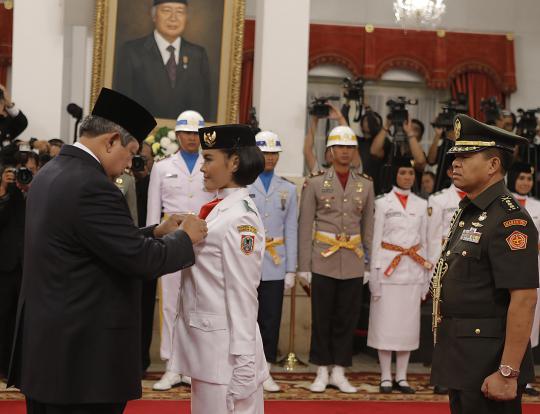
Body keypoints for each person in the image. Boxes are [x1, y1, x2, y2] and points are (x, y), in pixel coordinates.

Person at [7, 88, 208, 414]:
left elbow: (91, 241)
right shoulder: (92, 185)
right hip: (83, 361)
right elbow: (139, 260)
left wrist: (155, 230)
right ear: (111, 141)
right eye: (130, 153)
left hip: (49, 351)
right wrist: (186, 238)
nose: (130, 164)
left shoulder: (52, 173)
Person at [431, 114, 539, 414]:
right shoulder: (471, 211)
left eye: (466, 156)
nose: (455, 163)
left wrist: (508, 372)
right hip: (462, 359)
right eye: (454, 156)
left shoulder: (509, 219)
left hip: (489, 364)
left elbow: (525, 298)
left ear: (493, 165)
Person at [169, 124, 268, 414]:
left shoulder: (240, 220)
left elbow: (244, 294)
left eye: (209, 158)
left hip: (226, 358)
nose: (202, 167)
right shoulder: (219, 209)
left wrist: (245, 363)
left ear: (234, 162)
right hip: (209, 353)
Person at [298, 125, 375, 393]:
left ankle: (340, 371)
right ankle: (321, 370)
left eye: (350, 147)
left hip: (353, 261)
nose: (345, 152)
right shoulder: (316, 182)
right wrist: (303, 266)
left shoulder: (365, 184)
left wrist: (367, 263)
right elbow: (304, 224)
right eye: (340, 147)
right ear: (329, 152)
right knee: (322, 317)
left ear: (355, 152)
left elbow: (368, 226)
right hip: (323, 259)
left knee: (347, 317)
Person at [147, 109, 213, 390]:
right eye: (186, 133)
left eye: (196, 134)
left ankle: (192, 366)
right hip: (171, 241)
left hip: (202, 241)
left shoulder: (209, 165)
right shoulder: (162, 167)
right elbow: (153, 212)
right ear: (177, 134)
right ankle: (172, 364)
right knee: (171, 302)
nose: (191, 138)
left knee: (199, 302)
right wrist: (152, 242)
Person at [368, 157, 432, 394]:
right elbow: (375, 241)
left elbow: (425, 241)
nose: (407, 177)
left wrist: (427, 275)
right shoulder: (383, 203)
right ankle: (385, 376)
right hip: (388, 269)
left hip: (412, 271)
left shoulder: (421, 204)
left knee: (407, 326)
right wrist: (373, 275)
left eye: (410, 173)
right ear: (395, 174)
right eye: (403, 172)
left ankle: (402, 377)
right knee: (385, 325)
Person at [247, 130, 298, 392]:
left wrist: (291, 269)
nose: (270, 158)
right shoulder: (244, 185)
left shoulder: (287, 188)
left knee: (270, 318)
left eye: (274, 153)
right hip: (248, 260)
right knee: (247, 318)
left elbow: (291, 229)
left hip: (276, 263)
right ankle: (245, 369)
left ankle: (265, 370)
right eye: (265, 152)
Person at [114, 0, 211, 120]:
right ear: (154, 16)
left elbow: (205, 107)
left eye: (180, 12)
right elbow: (123, 104)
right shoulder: (132, 51)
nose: (173, 18)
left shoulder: (198, 55)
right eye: (166, 10)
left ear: (186, 17)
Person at [0, 147, 39, 379]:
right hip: (6, 264)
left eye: (32, 170)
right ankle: (3, 365)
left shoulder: (43, 189)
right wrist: (4, 192)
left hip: (33, 264)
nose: (27, 174)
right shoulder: (8, 191)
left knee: (27, 319)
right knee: (3, 316)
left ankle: (25, 366)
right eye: (23, 170)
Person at [506, 162, 540, 396]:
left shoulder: (539, 205)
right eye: (521, 178)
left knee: (531, 323)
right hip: (508, 266)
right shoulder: (505, 204)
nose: (525, 182)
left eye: (529, 178)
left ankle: (525, 378)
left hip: (533, 266)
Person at [133, 141, 158, 376]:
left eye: (145, 158)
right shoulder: (117, 179)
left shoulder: (154, 183)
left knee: (145, 309)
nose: (139, 162)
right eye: (136, 157)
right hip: (122, 252)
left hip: (147, 250)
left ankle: (141, 361)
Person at [303, 103, 361, 175]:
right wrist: (315, 120)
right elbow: (307, 150)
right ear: (325, 157)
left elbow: (352, 144)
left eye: (338, 148)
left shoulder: (353, 170)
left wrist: (340, 118)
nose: (332, 153)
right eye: (329, 150)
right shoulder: (320, 171)